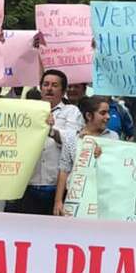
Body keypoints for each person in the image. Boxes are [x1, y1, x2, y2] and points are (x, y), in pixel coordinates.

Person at [14, 69, 83, 215]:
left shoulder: (72, 112)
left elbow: (71, 142)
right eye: (45, 84)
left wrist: (51, 130)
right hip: (28, 185)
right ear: (40, 88)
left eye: (54, 85)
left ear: (63, 90)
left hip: (55, 187)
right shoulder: (27, 111)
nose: (49, 88)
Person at [53, 96, 118, 216]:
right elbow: (64, 169)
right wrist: (58, 201)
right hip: (76, 200)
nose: (108, 117)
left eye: (108, 113)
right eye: (103, 113)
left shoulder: (113, 137)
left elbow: (118, 166)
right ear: (89, 116)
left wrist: (104, 154)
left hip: (103, 200)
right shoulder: (72, 139)